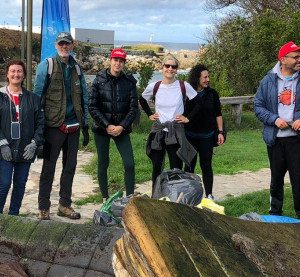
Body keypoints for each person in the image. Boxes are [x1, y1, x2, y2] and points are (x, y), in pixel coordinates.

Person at [253, 42, 300, 219]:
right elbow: (258, 106)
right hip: (275, 139)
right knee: (276, 181)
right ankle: (275, 215)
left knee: (299, 180)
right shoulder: (268, 80)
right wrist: (274, 120)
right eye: (295, 57)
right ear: (283, 59)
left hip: (298, 138)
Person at [33, 31, 90, 220]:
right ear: (56, 46)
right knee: (48, 167)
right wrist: (37, 128)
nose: (64, 47)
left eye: (67, 44)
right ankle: (43, 207)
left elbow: (84, 98)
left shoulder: (78, 69)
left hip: (73, 126)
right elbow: (37, 97)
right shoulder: (46, 66)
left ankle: (65, 205)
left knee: (70, 167)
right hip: (53, 126)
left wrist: (86, 125)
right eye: (61, 44)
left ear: (72, 45)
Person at [0, 59, 45, 215]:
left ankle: (14, 215)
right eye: (12, 71)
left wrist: (34, 143)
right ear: (7, 74)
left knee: (20, 184)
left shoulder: (32, 98)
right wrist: (2, 144)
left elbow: (41, 124)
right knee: (4, 183)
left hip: (25, 149)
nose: (16, 74)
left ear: (24, 75)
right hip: (4, 149)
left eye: (19, 71)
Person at [139, 55, 197, 188]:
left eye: (173, 67)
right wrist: (149, 114)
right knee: (157, 168)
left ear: (177, 69)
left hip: (175, 131)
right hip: (159, 131)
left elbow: (197, 101)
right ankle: (156, 195)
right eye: (167, 66)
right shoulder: (155, 86)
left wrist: (187, 117)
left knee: (176, 168)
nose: (170, 69)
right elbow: (142, 99)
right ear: (162, 68)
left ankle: (175, 198)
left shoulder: (183, 86)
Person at [88, 48, 139, 199]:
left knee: (129, 163)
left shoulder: (129, 82)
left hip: (121, 128)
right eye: (115, 60)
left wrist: (122, 126)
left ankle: (129, 198)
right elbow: (92, 106)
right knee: (103, 162)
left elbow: (133, 108)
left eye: (121, 61)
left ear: (124, 63)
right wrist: (107, 125)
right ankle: (104, 198)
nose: (118, 63)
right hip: (102, 128)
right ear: (110, 61)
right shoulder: (98, 80)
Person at [185, 64, 225, 200]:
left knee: (206, 165)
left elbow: (218, 114)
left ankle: (209, 195)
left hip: (207, 136)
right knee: (189, 165)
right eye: (205, 77)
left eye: (208, 77)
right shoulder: (188, 93)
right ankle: (188, 195)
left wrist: (221, 131)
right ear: (197, 78)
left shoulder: (212, 94)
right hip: (190, 136)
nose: (208, 79)